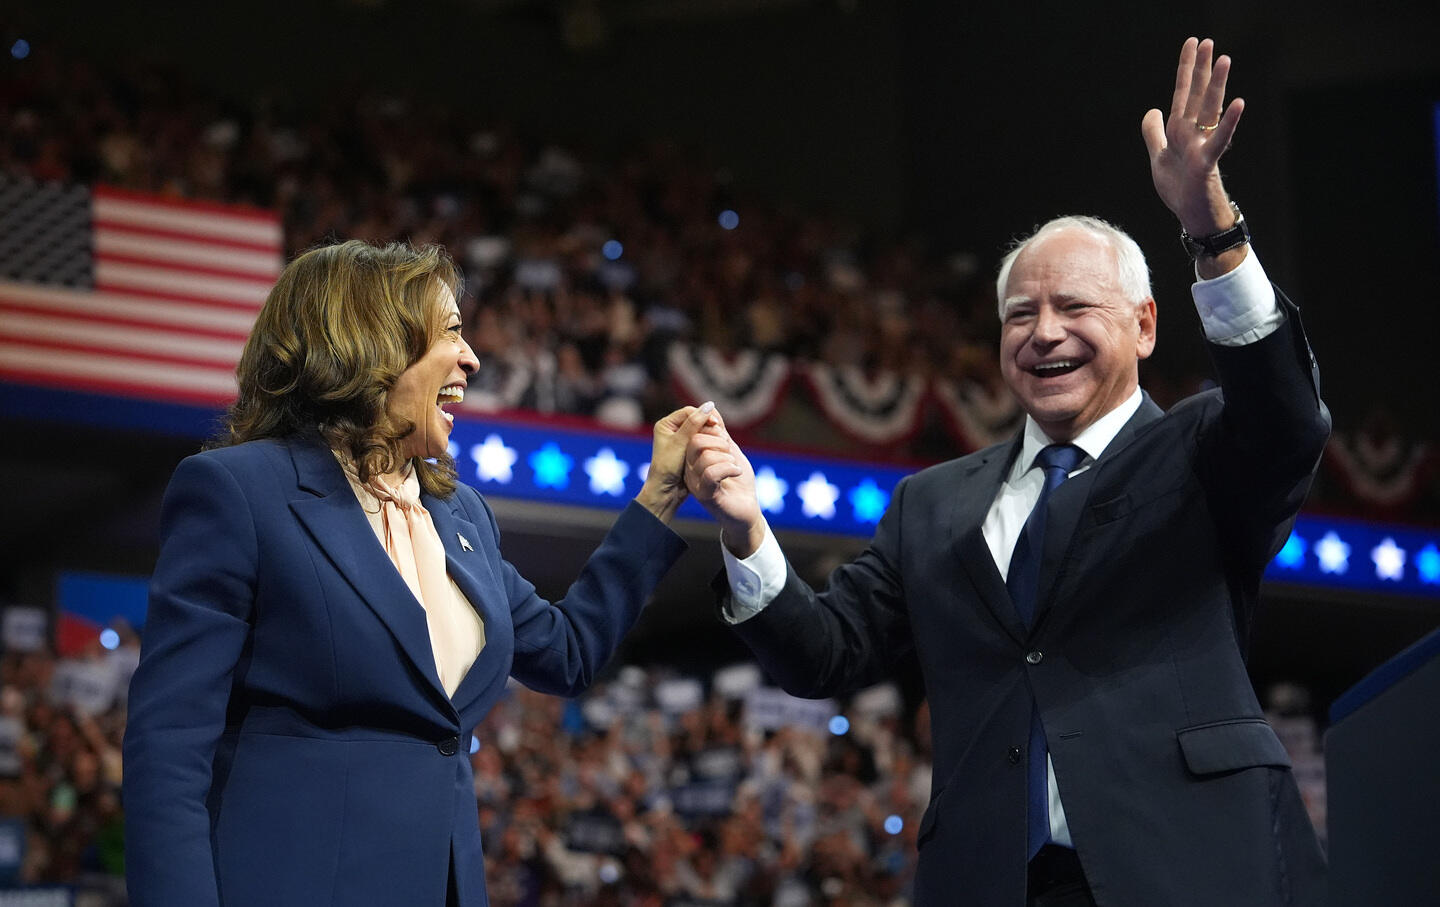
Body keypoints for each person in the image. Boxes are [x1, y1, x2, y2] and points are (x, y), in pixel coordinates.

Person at [684, 38, 1328, 907]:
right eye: (1020, 312)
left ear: (1144, 325)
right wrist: (744, 527)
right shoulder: (931, 504)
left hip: (1189, 867)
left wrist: (1212, 228)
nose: (1044, 330)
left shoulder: (1203, 452)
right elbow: (822, 656)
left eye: (1074, 307)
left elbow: (1286, 416)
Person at [122, 239, 712, 906]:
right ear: (371, 341)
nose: (473, 358)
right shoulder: (240, 492)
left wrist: (661, 494)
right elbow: (166, 752)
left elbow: (568, 652)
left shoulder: (461, 516)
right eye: (452, 332)